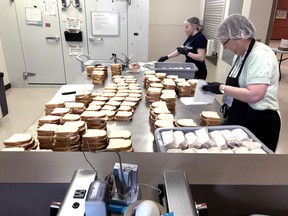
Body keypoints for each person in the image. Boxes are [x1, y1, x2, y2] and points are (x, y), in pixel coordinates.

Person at [202, 14, 281, 152]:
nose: (225, 48)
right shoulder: (240, 56)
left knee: (253, 169)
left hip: (259, 122)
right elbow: (239, 87)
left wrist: (221, 88)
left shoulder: (260, 55)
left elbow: (255, 95)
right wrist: (219, 88)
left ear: (240, 35)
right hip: (239, 118)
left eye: (225, 43)